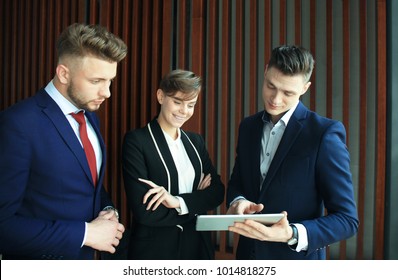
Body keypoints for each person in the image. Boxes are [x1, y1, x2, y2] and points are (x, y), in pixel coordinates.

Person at [0, 23, 127, 260]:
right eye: (96, 81)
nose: (107, 92)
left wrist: (108, 209)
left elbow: (88, 184)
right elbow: (3, 226)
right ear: (63, 73)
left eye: (110, 81)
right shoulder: (17, 124)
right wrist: (85, 233)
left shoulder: (90, 117)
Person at [226, 45, 359, 260]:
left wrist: (292, 233)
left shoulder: (323, 134)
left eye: (288, 93)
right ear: (266, 70)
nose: (275, 99)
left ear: (305, 88)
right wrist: (238, 201)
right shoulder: (248, 127)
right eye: (271, 86)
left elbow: (347, 220)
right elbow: (237, 183)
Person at [122, 69, 225, 260]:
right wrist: (197, 202)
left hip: (197, 249)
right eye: (177, 102)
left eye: (191, 105)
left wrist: (177, 202)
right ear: (160, 96)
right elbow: (145, 211)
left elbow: (217, 192)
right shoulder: (137, 141)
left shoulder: (195, 142)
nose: (184, 111)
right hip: (155, 253)